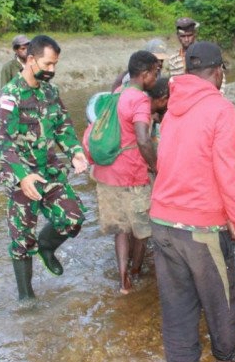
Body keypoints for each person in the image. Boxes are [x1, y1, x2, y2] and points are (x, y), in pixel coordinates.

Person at [149, 41, 235, 362]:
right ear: (217, 72)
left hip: (162, 224)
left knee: (178, 312)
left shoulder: (171, 110)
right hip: (201, 230)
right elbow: (227, 174)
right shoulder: (220, 108)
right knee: (221, 306)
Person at [0, 34, 89, 301]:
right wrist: (23, 177)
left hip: (50, 170)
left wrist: (76, 152)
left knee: (73, 217)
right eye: (47, 64)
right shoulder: (9, 96)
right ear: (31, 59)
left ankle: (46, 248)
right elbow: (4, 145)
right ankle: (26, 297)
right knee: (22, 241)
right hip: (21, 177)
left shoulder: (50, 92)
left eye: (55, 64)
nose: (52, 70)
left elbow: (63, 126)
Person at [91, 51, 159, 294]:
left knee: (121, 229)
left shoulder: (115, 94)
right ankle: (137, 272)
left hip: (107, 173)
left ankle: (123, 280)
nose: (156, 78)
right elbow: (142, 139)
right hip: (132, 174)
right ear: (146, 73)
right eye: (156, 73)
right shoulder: (139, 99)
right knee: (141, 231)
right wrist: (155, 166)